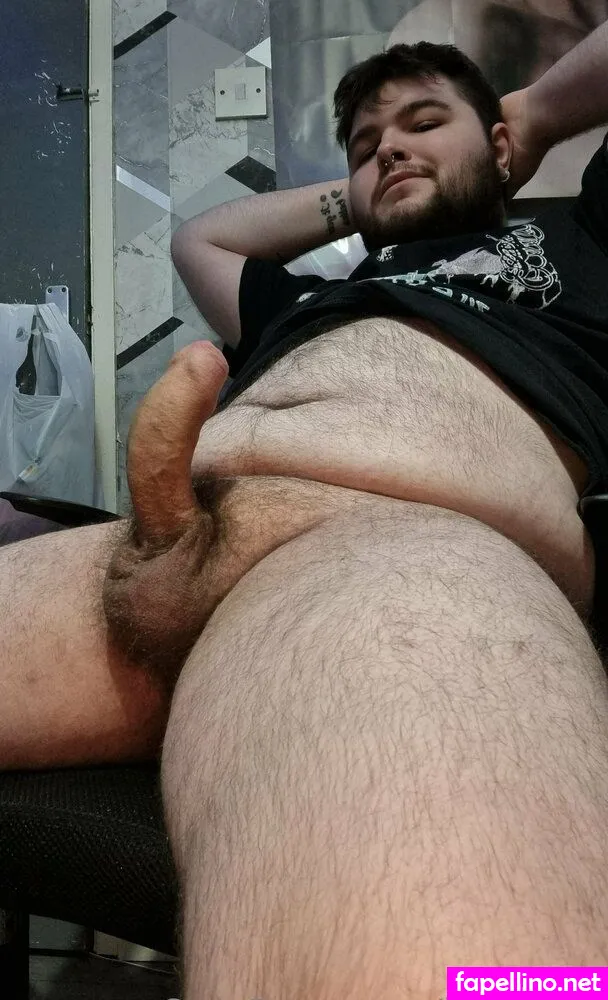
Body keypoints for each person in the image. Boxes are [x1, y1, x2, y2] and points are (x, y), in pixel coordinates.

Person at [2, 23, 608, 997]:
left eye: (423, 123)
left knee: (455, 963)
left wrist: (527, 116)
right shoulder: (303, 300)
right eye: (367, 143)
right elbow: (200, 238)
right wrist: (370, 189)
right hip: (144, 548)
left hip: (399, 562)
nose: (390, 148)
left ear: (497, 144)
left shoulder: (582, 246)